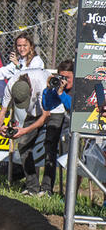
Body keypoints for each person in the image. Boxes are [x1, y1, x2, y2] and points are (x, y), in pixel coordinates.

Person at [0, 67, 52, 196]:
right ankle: (32, 188)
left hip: (52, 111)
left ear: (30, 90)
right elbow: (3, 110)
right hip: (32, 113)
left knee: (50, 149)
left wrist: (24, 130)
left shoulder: (41, 83)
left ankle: (47, 190)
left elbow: (45, 116)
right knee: (23, 146)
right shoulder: (11, 85)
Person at [39, 59, 74, 196]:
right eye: (62, 77)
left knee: (71, 155)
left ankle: (70, 193)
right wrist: (49, 89)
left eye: (68, 78)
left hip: (73, 123)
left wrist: (61, 93)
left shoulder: (78, 87)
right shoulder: (57, 87)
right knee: (50, 148)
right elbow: (47, 105)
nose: (64, 81)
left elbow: (72, 107)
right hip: (58, 117)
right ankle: (46, 188)